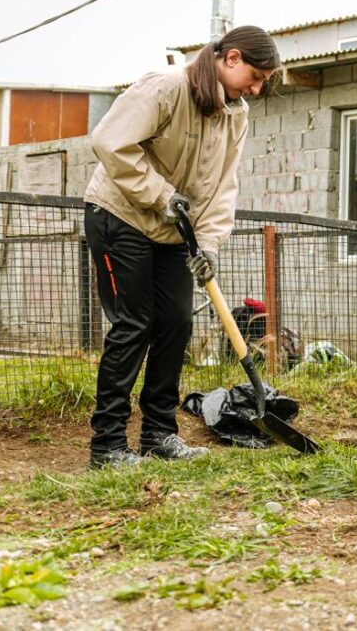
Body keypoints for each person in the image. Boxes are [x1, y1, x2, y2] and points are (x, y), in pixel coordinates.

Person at [84, 26, 281, 468]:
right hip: (121, 215)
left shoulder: (236, 113)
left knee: (175, 324)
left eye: (263, 80)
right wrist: (158, 194)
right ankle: (108, 445)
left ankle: (159, 435)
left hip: (176, 229)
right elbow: (109, 142)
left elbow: (221, 186)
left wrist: (209, 243)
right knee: (134, 325)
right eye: (255, 75)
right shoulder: (167, 87)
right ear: (230, 58)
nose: (257, 87)